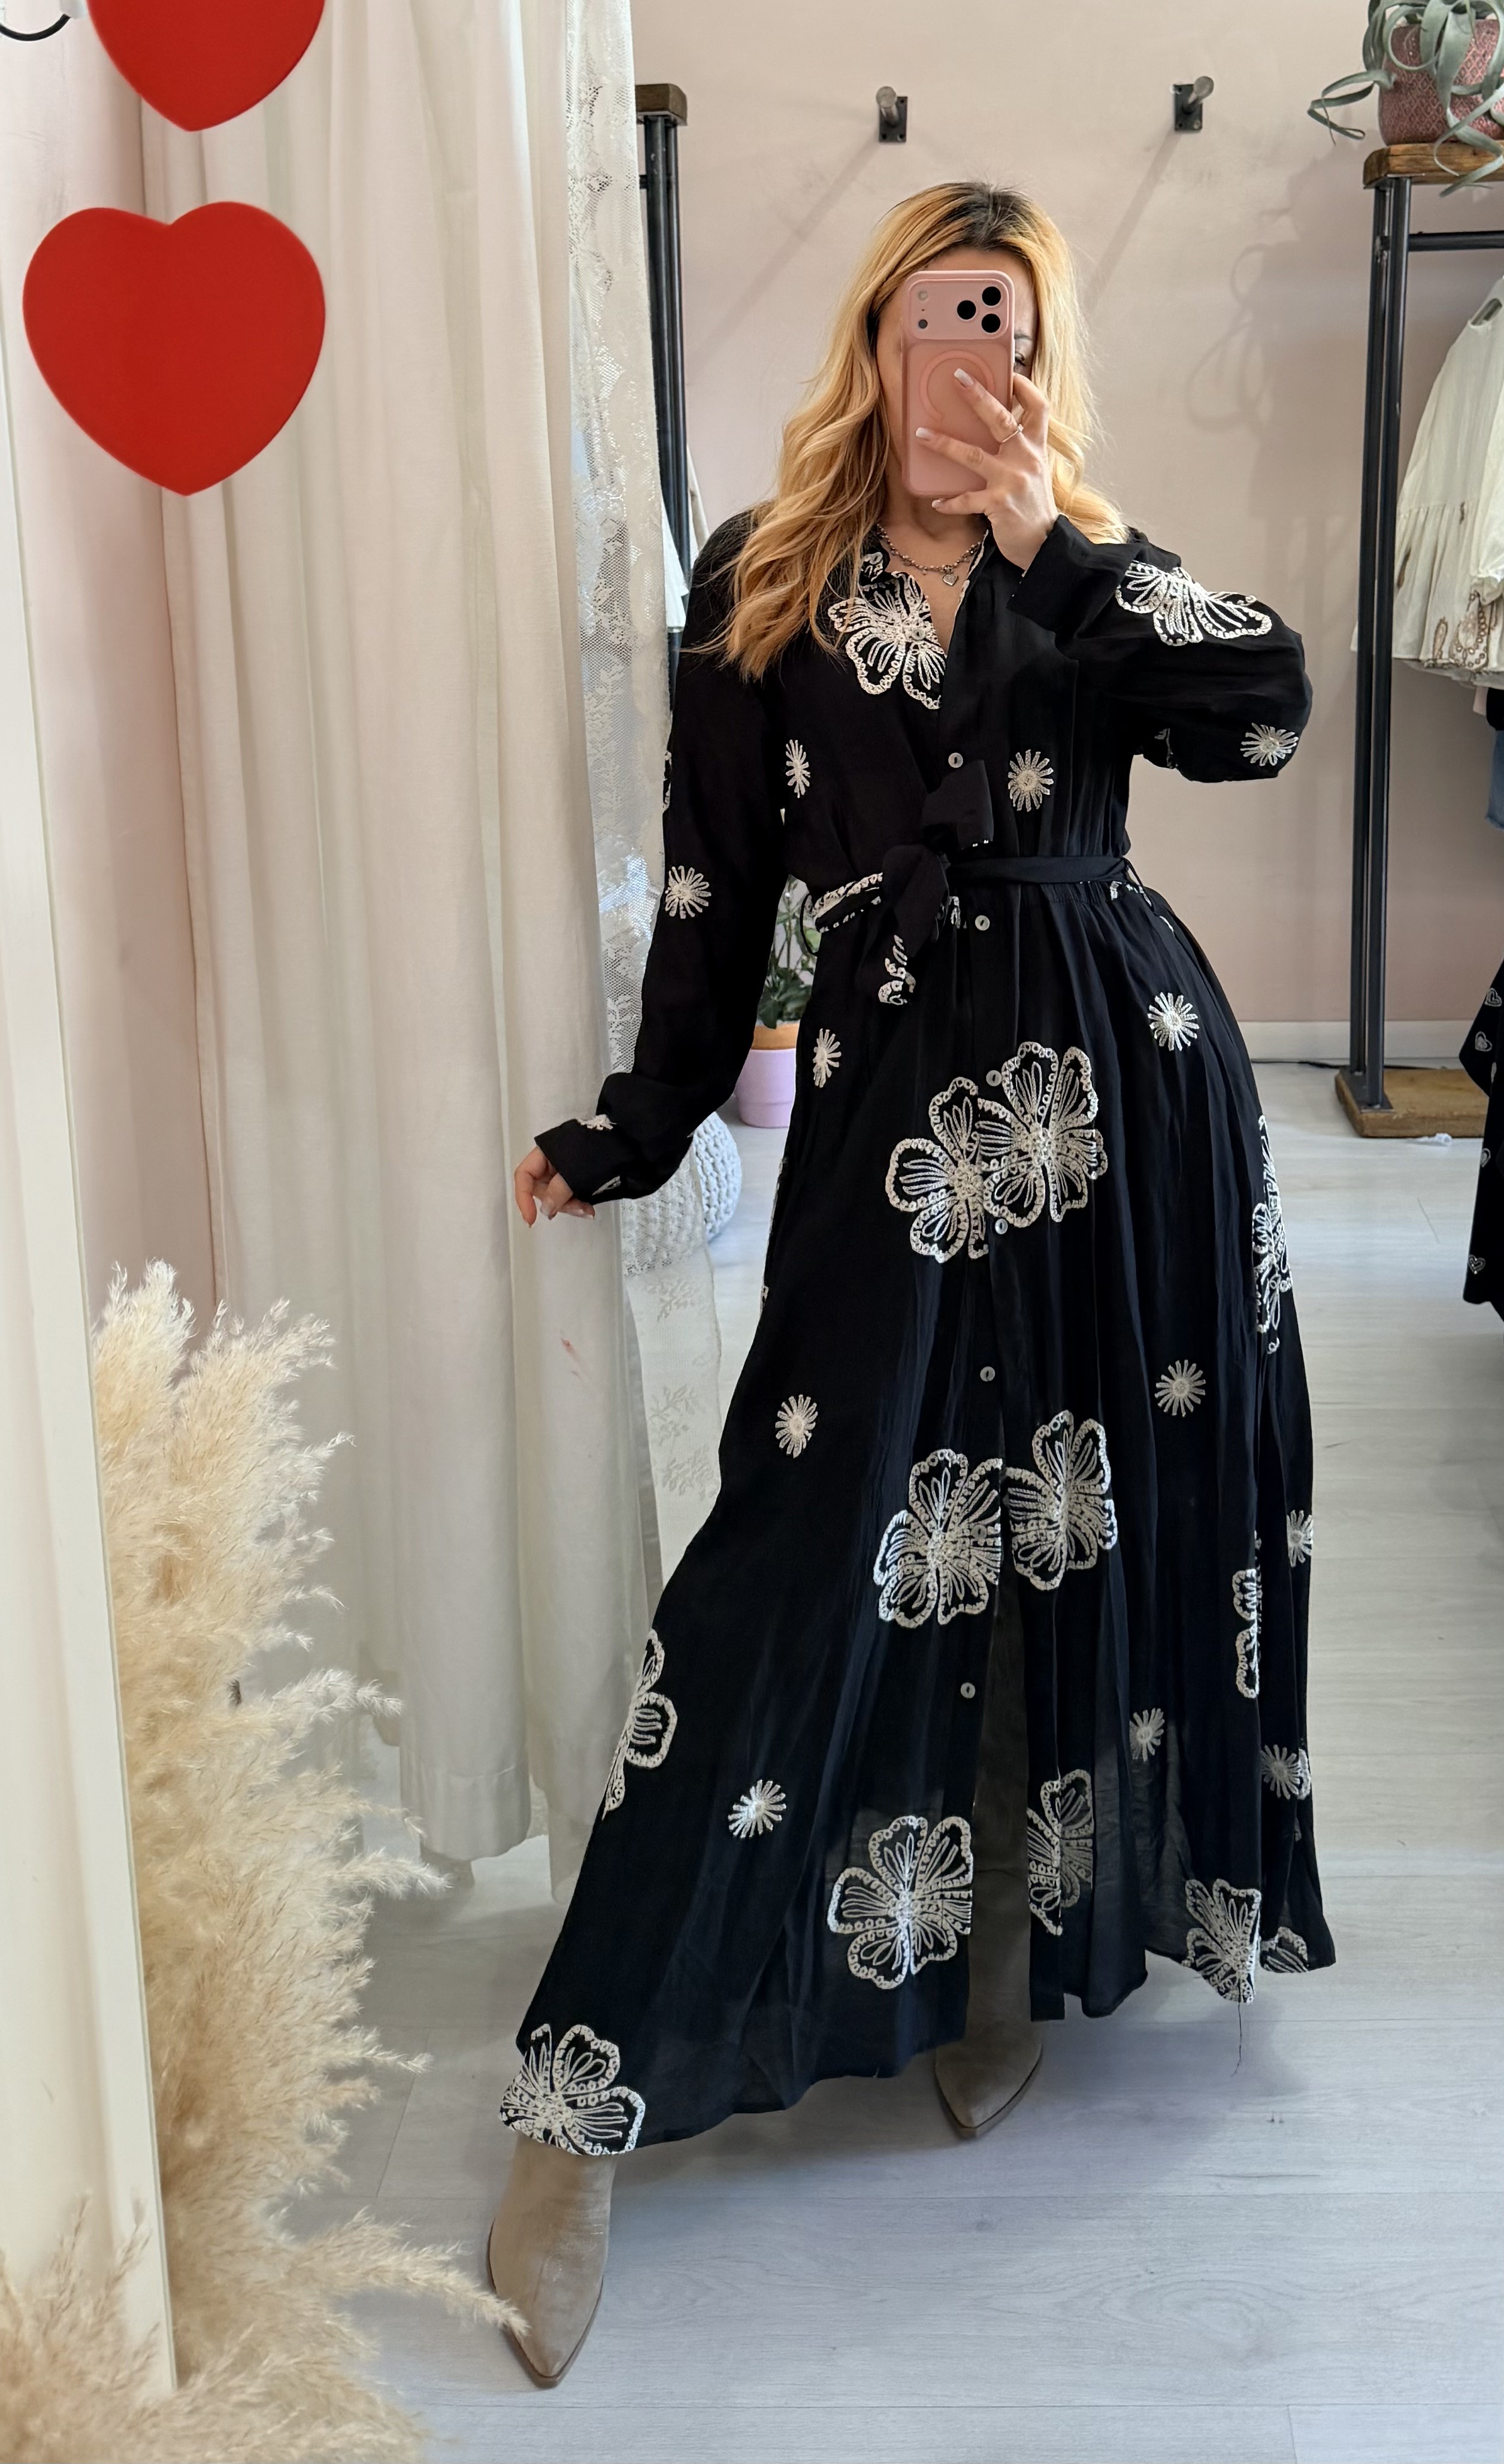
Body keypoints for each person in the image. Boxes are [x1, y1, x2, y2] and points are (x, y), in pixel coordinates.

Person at [489, 180, 1328, 2386]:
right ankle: (582, 2095)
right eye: (943, 317)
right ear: (877, 338)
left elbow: (1267, 712)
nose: (975, 355)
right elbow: (711, 896)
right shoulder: (760, 583)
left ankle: (997, 1970)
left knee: (1076, 1533)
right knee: (793, 1550)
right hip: (897, 1120)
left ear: (1044, 352)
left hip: (1131, 1105)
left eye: (1012, 320)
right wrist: (640, 1122)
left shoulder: (1097, 570)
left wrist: (1058, 541)